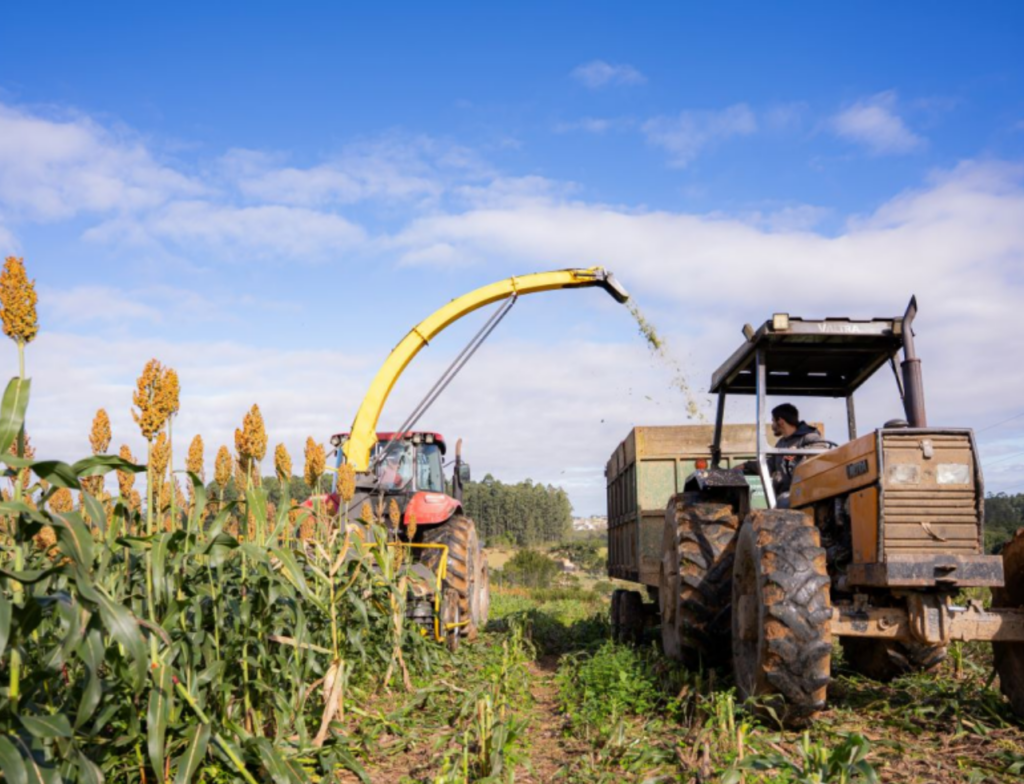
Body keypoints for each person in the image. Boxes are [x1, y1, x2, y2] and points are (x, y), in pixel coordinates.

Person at [742, 403, 826, 505]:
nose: (772, 425)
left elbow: (821, 451)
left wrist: (798, 451)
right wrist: (746, 465)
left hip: (803, 491)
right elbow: (769, 465)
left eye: (773, 421)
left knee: (783, 503)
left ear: (780, 421)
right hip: (786, 492)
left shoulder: (809, 436)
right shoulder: (781, 444)